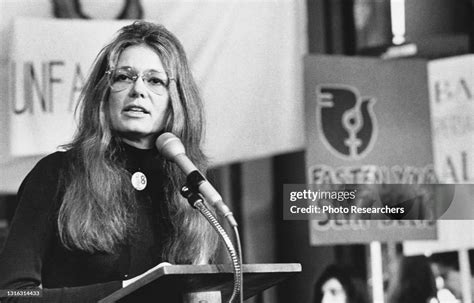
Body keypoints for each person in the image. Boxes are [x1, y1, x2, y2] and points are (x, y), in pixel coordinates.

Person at [0, 21, 218, 302]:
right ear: (103, 93)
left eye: (155, 80)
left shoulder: (189, 186)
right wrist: (124, 291)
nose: (138, 89)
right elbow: (12, 292)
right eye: (124, 77)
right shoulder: (56, 174)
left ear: (176, 101)